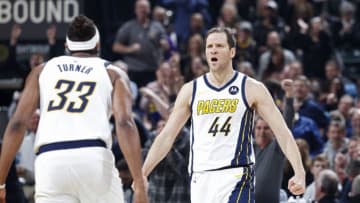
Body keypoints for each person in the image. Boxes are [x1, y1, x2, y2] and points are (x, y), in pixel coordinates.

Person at [142, 27, 305, 203]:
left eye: (219, 45)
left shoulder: (251, 88)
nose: (213, 49)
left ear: (232, 52)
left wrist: (299, 171)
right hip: (201, 177)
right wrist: (142, 173)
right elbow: (167, 135)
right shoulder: (191, 90)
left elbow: (281, 131)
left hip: (236, 175)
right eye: (209, 46)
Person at [0, 15, 148, 203]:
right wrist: (140, 184)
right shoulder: (113, 72)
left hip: (50, 161)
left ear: (67, 47)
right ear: (97, 45)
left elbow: (17, 124)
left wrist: (1, 183)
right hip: (93, 158)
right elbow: (125, 124)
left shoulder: (42, 70)